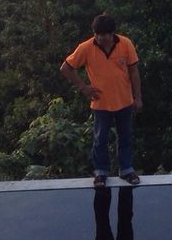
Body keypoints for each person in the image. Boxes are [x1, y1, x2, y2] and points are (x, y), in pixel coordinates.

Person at [60, 13, 143, 187]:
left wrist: (138, 98)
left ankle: (126, 170)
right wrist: (84, 87)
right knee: (100, 139)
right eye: (97, 34)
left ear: (113, 33)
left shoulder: (125, 44)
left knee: (125, 137)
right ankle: (101, 172)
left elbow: (134, 72)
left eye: (104, 34)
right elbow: (66, 68)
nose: (101, 38)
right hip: (101, 103)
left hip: (124, 101)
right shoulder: (86, 47)